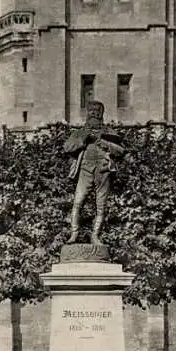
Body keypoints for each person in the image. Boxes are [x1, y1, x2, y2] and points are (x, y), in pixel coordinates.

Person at [64, 101, 125, 245]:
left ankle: (95, 236)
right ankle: (74, 234)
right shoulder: (79, 132)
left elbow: (121, 150)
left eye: (98, 111)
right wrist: (84, 139)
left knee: (101, 205)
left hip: (103, 170)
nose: (94, 113)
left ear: (102, 114)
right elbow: (68, 148)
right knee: (78, 202)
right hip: (85, 170)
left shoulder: (109, 132)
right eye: (91, 110)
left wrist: (105, 144)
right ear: (87, 113)